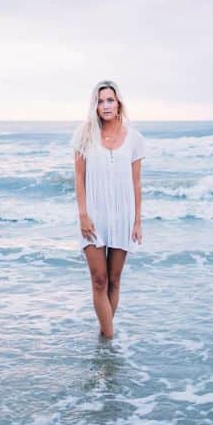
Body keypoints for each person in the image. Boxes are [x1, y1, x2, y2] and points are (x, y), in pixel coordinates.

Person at [72, 80, 146, 339]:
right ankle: (110, 340)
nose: (105, 105)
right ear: (95, 106)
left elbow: (136, 182)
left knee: (114, 281)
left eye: (110, 100)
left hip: (122, 216)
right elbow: (79, 179)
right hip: (94, 216)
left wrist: (137, 221)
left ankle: (104, 339)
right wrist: (83, 215)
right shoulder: (84, 135)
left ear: (118, 104)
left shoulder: (134, 138)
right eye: (100, 101)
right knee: (99, 280)